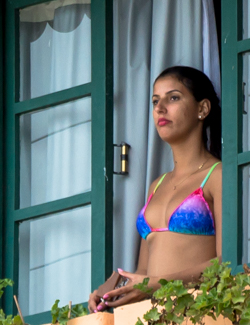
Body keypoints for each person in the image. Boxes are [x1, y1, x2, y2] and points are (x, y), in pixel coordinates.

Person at [90, 65, 223, 311]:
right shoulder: (156, 185)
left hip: (199, 318)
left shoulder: (217, 176)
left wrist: (158, 284)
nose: (160, 108)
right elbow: (144, 273)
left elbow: (226, 261)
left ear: (202, 109)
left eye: (173, 98)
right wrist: (112, 288)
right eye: (155, 101)